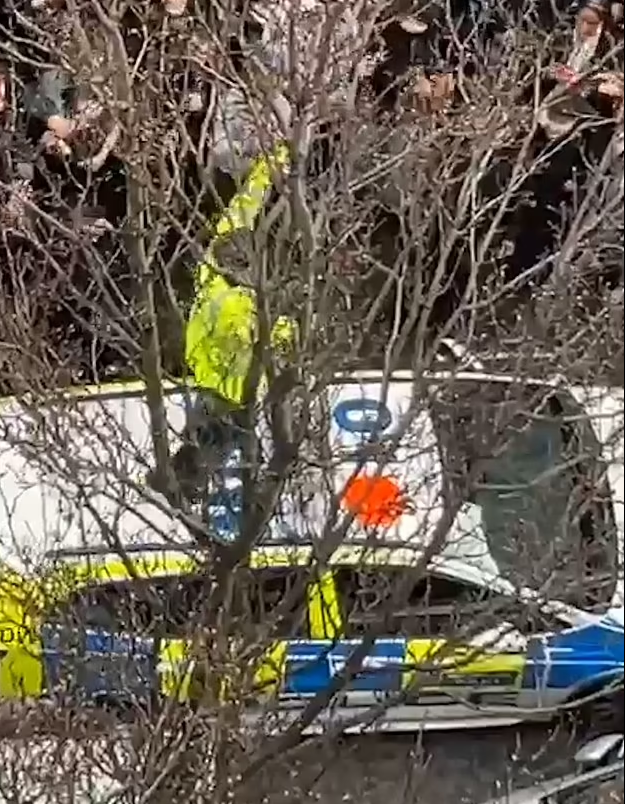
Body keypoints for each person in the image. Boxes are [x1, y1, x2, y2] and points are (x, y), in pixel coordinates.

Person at [170, 144, 297, 509]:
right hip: (231, 393)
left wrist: (270, 165)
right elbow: (272, 340)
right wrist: (291, 326)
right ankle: (193, 492)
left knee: (204, 440)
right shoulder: (243, 308)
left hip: (206, 381)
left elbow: (241, 209)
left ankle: (187, 477)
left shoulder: (212, 275)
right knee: (223, 447)